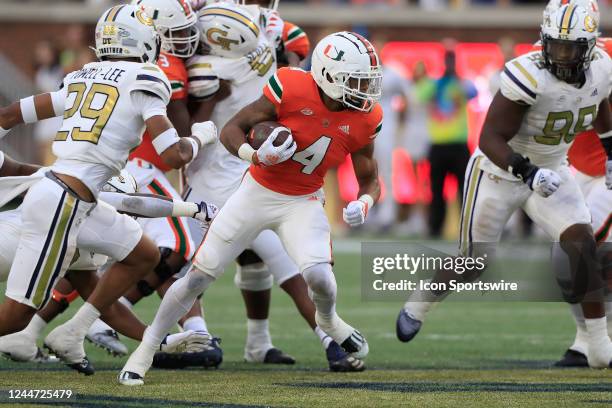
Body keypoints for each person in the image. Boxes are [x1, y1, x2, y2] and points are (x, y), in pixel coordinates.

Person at [119, 30, 383, 385]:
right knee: (197, 275)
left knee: (320, 278)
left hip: (302, 200)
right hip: (256, 191)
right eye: (356, 80)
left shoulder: (367, 117)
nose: (363, 91)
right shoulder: (290, 85)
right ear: (329, 75)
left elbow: (370, 178)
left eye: (367, 81)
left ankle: (329, 321)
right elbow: (232, 130)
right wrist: (254, 154)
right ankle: (145, 351)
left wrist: (364, 203)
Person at [0, 3, 216, 371]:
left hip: (75, 195)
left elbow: (7, 115)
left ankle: (75, 333)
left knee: (142, 255)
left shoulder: (83, 74)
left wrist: (158, 342)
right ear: (146, 38)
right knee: (16, 319)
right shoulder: (146, 78)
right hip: (63, 203)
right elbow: (173, 153)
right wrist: (200, 137)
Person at [397, 3, 612, 368]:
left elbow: (600, 103)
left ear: (589, 46)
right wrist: (526, 171)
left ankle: (597, 343)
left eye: (570, 48)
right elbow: (489, 137)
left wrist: (609, 148)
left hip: (553, 168)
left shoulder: (602, 69)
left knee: (581, 244)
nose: (560, 56)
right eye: (555, 45)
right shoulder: (526, 74)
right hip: (499, 172)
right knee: (474, 261)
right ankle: (421, 301)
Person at [184, 2, 363, 371]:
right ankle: (95, 323)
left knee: (259, 259)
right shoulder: (200, 41)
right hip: (211, 169)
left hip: (251, 168)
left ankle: (260, 342)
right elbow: (185, 113)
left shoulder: (274, 30)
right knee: (176, 263)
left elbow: (294, 62)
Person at [0, 163, 217, 368]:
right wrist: (193, 209)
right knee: (16, 318)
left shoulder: (82, 234)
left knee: (17, 318)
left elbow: (107, 306)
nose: (126, 220)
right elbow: (133, 203)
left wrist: (157, 340)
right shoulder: (83, 205)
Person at [421, 47, 477, 237]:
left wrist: (456, 78)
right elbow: (419, 96)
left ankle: (466, 228)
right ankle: (435, 228)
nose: (449, 64)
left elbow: (473, 92)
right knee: (437, 191)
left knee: (465, 190)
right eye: (447, 60)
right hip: (438, 144)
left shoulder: (461, 83)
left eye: (452, 61)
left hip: (458, 144)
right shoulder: (435, 84)